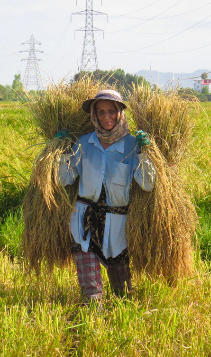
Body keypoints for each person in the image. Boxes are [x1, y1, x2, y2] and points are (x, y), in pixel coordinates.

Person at [58, 89, 155, 305]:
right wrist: (62, 150)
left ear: (120, 112)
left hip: (117, 220)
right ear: (94, 114)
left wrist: (146, 152)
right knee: (89, 282)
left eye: (111, 111)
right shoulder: (84, 143)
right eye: (100, 112)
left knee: (122, 285)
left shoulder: (131, 145)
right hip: (84, 219)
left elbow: (147, 185)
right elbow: (65, 179)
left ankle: (123, 310)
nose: (106, 117)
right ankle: (93, 312)